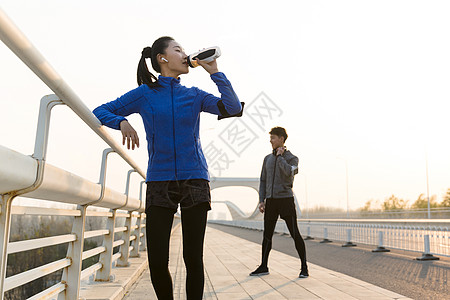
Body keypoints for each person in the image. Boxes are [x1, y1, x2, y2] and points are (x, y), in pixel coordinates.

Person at [92, 36, 242, 300]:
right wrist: (121, 121)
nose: (184, 54)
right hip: (159, 182)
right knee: (158, 261)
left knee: (193, 258)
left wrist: (215, 72)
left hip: (195, 179)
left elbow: (232, 108)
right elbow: (100, 110)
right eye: (178, 49)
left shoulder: (194, 95)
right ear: (162, 59)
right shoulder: (144, 94)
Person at [250, 126, 309, 278]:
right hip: (271, 201)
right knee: (267, 235)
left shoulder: (292, 158)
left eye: (273, 138)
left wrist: (280, 157)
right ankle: (263, 266)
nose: (270, 141)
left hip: (285, 200)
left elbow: (289, 173)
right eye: (270, 138)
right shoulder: (267, 159)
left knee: (294, 233)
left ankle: (304, 267)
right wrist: (261, 200)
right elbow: (263, 180)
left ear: (281, 139)